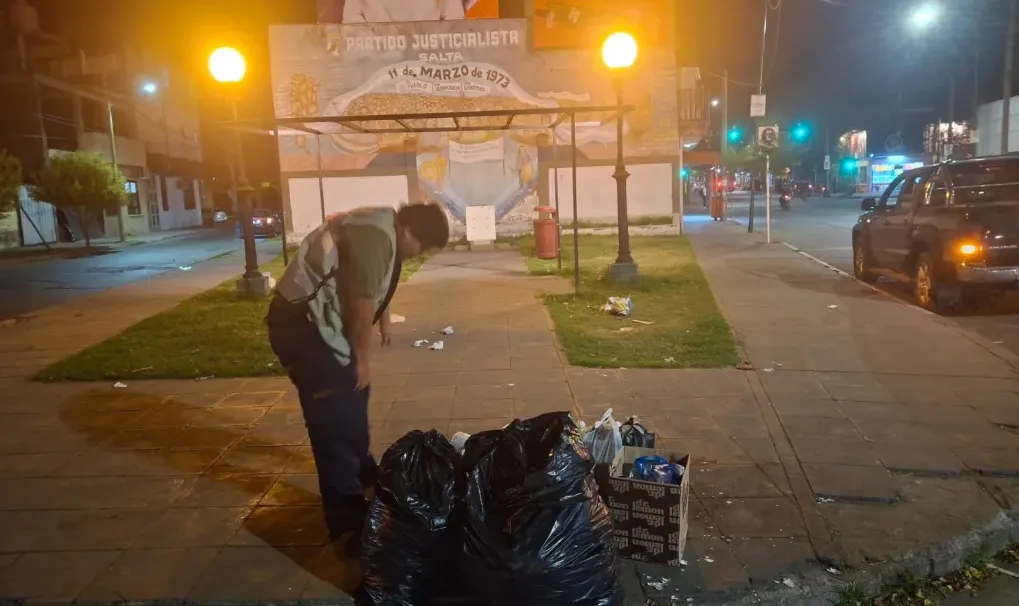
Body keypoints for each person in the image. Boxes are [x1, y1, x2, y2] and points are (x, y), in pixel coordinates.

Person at [266, 203, 450, 555]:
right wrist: (361, 360)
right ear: (411, 232)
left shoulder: (386, 227)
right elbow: (359, 301)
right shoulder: (377, 237)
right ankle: (346, 519)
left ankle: (365, 474)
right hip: (300, 324)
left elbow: (377, 283)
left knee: (352, 404)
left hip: (319, 324)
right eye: (422, 248)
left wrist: (383, 319)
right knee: (333, 417)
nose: (416, 255)